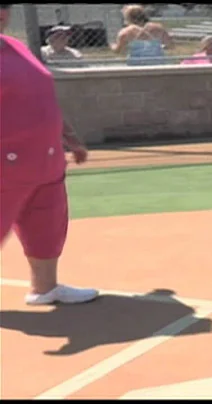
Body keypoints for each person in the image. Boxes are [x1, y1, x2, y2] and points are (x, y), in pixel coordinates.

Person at [0, 4, 98, 305]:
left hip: (46, 162)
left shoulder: (16, 47)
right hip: (6, 165)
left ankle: (46, 288)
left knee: (47, 226)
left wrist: (71, 138)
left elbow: (42, 99)